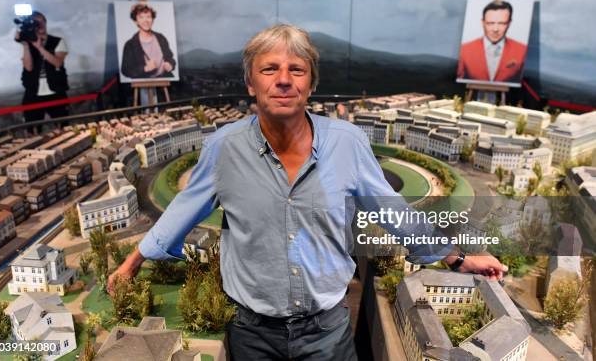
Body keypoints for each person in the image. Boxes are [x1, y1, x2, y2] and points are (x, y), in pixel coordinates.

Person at [110, 24, 507, 360]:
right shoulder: (223, 148)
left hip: (327, 333)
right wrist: (132, 262)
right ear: (251, 82)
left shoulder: (348, 143)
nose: (283, 79)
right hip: (251, 333)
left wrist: (458, 259)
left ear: (311, 83)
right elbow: (184, 207)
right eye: (269, 68)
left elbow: (394, 214)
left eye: (296, 69)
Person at [17, 11, 70, 125]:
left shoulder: (58, 41)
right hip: (33, 93)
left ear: (46, 23)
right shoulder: (28, 43)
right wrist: (26, 45)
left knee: (63, 126)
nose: (40, 24)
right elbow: (28, 67)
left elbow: (57, 63)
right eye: (36, 22)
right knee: (32, 128)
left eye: (42, 21)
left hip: (56, 91)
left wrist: (40, 48)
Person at [457, 1, 528, 84]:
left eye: (502, 23)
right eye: (490, 23)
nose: (495, 29)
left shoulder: (522, 50)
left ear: (509, 23)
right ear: (483, 23)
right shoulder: (465, 49)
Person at [121, 3, 176, 79]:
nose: (145, 20)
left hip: (164, 79)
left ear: (152, 20)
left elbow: (170, 58)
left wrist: (170, 64)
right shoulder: (130, 44)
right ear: (136, 21)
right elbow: (125, 70)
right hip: (143, 82)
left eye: (148, 17)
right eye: (141, 17)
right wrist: (145, 69)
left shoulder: (161, 38)